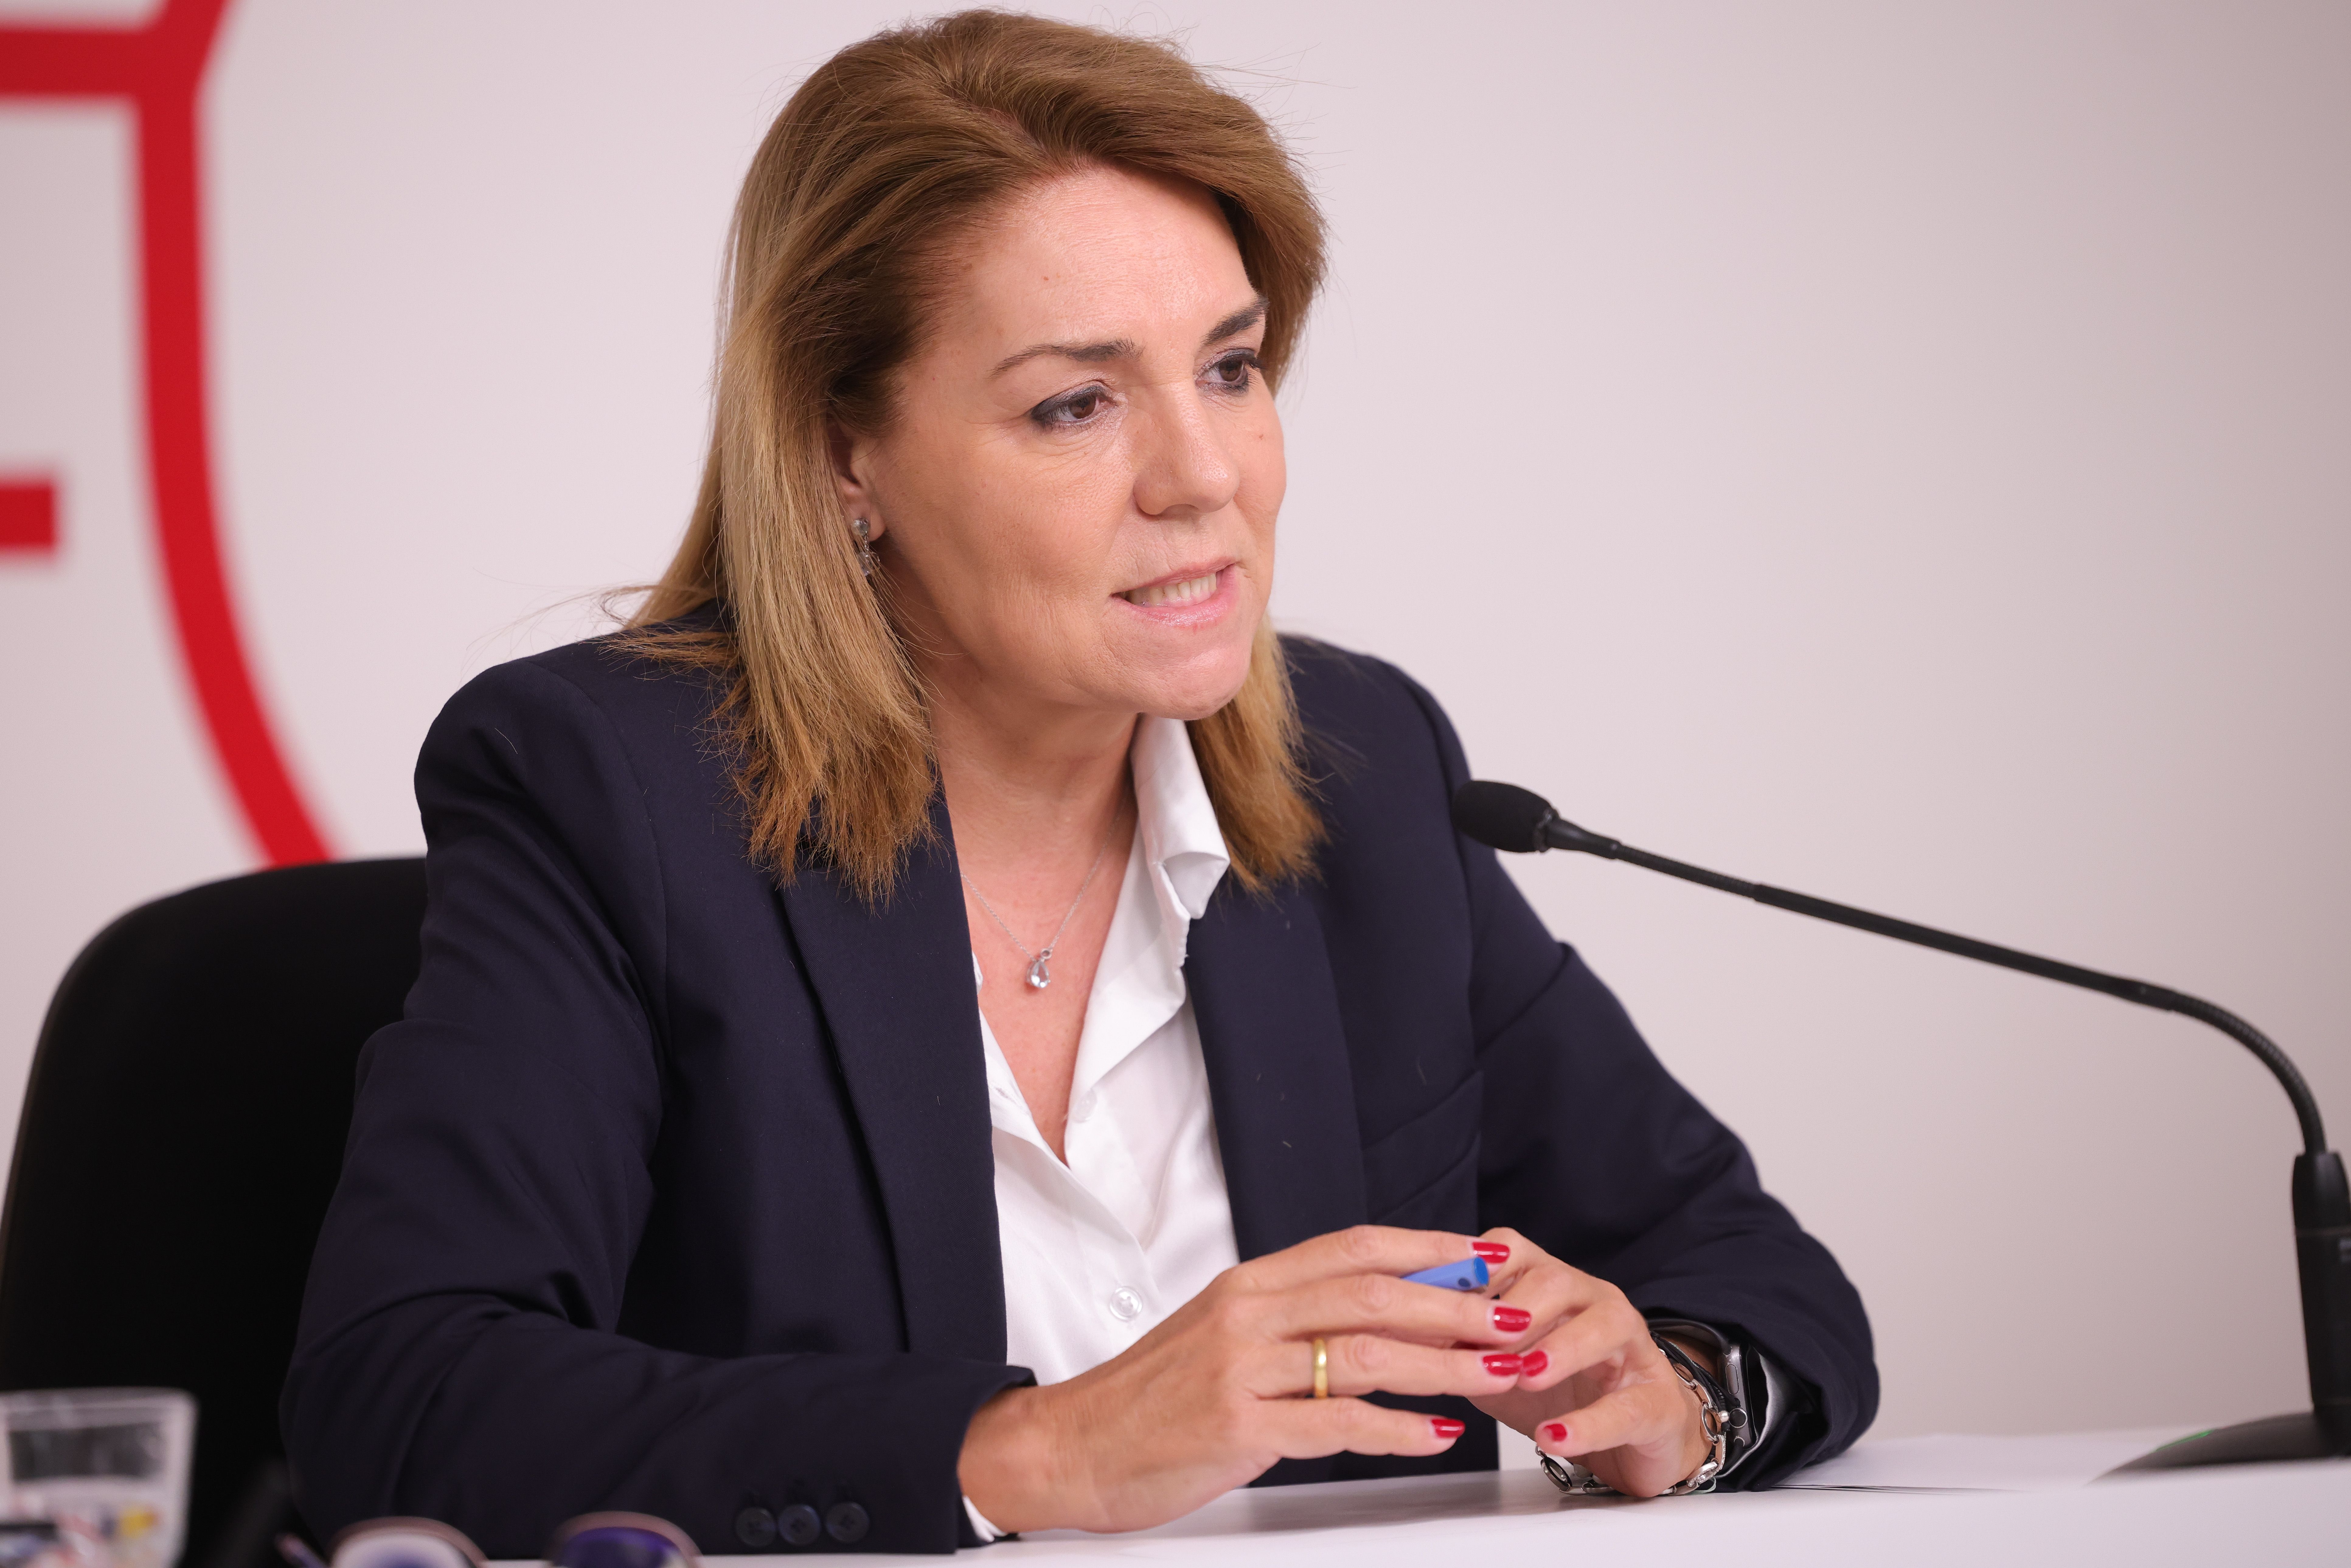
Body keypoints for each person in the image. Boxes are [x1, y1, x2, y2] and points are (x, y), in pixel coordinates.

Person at [282, 11, 1876, 1556]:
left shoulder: (1365, 767)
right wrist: (1045, 1450)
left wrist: (1675, 1398)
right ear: (844, 457)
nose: (1205, 475)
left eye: (1231, 368)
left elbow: (1756, 1278)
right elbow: (404, 1395)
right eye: (1076, 403)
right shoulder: (606, 788)